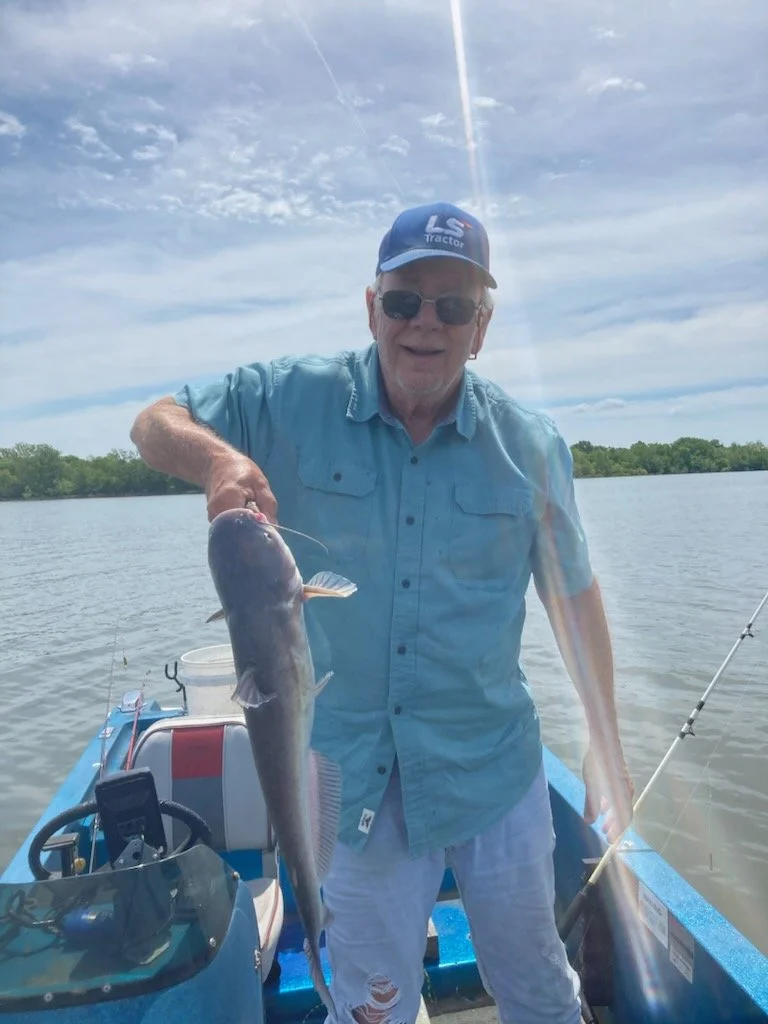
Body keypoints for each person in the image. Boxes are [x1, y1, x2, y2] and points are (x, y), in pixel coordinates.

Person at [130, 201, 634, 1024]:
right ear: (372, 309)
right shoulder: (288, 398)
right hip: (353, 782)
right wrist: (217, 458)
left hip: (493, 767)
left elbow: (572, 596)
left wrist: (608, 740)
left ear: (483, 325)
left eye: (453, 305)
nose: (425, 323)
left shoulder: (531, 446)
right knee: (371, 1009)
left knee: (540, 991)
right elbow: (153, 423)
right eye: (404, 301)